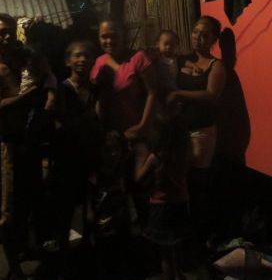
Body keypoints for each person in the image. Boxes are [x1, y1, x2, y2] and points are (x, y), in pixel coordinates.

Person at [0, 13, 43, 280]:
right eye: (2, 32)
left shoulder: (19, 63)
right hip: (7, 145)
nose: (7, 37)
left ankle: (26, 251)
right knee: (8, 210)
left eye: (11, 31)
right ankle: (14, 270)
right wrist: (29, 95)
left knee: (28, 201)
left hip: (26, 141)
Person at [90, 19, 157, 227]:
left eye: (114, 35)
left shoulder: (138, 58)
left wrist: (143, 125)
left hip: (138, 136)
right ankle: (123, 237)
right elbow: (96, 97)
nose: (109, 40)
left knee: (141, 188)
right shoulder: (99, 62)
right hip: (112, 139)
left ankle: (148, 237)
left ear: (123, 35)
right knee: (116, 193)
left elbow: (153, 93)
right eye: (104, 36)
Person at [166, 16, 227, 230]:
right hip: (179, 129)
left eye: (204, 34)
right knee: (178, 178)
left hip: (201, 131)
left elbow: (211, 95)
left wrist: (179, 94)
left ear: (213, 40)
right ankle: (182, 225)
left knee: (198, 180)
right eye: (195, 32)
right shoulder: (182, 59)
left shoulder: (216, 65)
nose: (198, 37)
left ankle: (200, 228)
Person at [51, 40, 100, 280]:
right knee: (66, 213)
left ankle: (87, 257)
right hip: (67, 160)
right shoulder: (61, 89)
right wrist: (87, 118)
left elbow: (100, 121)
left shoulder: (95, 89)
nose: (83, 59)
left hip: (91, 156)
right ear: (68, 61)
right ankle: (64, 264)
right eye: (78, 55)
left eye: (87, 55)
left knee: (92, 209)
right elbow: (59, 124)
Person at [135, 113, 193, 280]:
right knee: (176, 242)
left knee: (165, 252)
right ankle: (179, 277)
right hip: (182, 203)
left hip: (162, 207)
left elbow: (139, 178)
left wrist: (139, 157)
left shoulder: (156, 157)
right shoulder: (184, 153)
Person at [86, 130, 132, 280]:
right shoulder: (96, 172)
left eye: (116, 149)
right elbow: (89, 191)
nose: (113, 154)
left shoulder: (122, 167)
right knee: (104, 248)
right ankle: (105, 277)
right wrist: (90, 211)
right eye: (108, 150)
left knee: (121, 245)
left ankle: (122, 275)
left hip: (120, 216)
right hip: (102, 218)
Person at [152, 30, 180, 102]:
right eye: (165, 44)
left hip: (172, 87)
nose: (168, 47)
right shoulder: (157, 57)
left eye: (172, 45)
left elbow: (186, 62)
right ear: (158, 44)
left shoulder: (176, 58)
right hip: (159, 87)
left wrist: (193, 65)